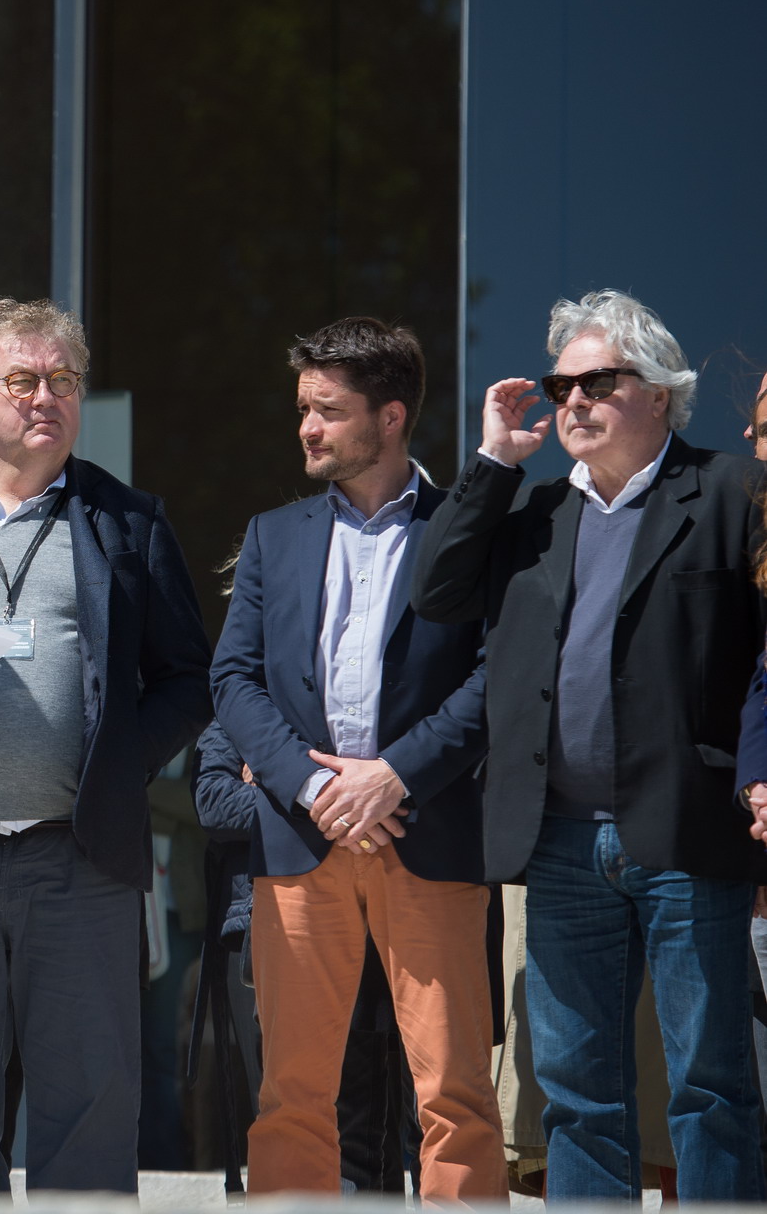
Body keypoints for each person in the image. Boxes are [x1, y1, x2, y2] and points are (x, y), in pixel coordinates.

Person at [412, 289, 767, 1201]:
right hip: (560, 842)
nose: (572, 400)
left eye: (597, 382)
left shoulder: (733, 492)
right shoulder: (531, 514)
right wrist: (493, 461)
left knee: (710, 1086)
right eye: (558, 385)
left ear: (658, 391)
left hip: (688, 833)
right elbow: (436, 592)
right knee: (575, 1094)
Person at [0, 297, 211, 1194]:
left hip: (79, 859)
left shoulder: (124, 521)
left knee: (89, 1110)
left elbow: (188, 678)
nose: (45, 397)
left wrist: (118, 762)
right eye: (22, 380)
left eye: (64, 380)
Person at [211, 317, 504, 1199]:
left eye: (327, 411)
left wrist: (393, 777)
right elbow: (231, 678)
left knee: (454, 1096)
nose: (306, 428)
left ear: (389, 416)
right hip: (302, 843)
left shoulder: (467, 526)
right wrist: (313, 786)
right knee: (291, 1097)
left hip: (426, 833)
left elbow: (496, 676)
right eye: (302, 409)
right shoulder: (273, 534)